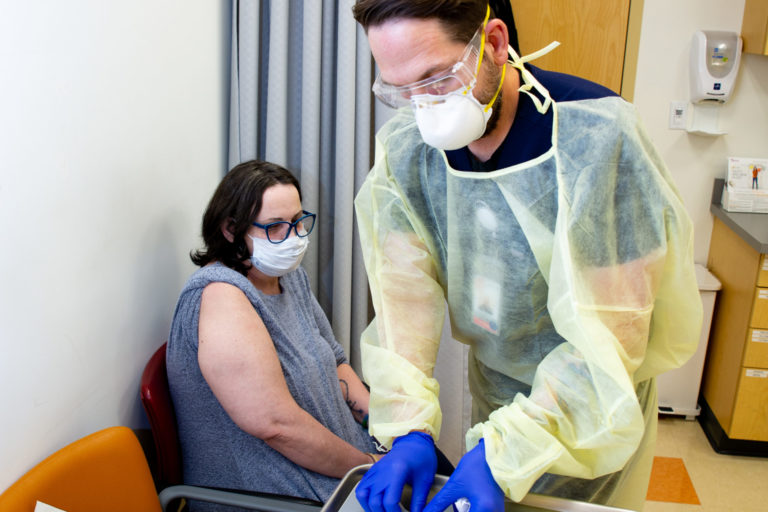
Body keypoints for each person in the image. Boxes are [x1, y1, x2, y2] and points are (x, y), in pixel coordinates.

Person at [350, 2, 703, 512]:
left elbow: (614, 335)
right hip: (498, 394)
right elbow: (403, 296)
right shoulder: (410, 151)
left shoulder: (597, 137)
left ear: (493, 43)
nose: (423, 106)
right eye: (401, 90)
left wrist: (509, 448)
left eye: (437, 79)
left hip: (593, 406)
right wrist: (408, 425)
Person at [165, 160, 382, 507]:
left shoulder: (288, 277)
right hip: (280, 494)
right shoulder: (222, 296)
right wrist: (370, 467)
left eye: (297, 222)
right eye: (275, 227)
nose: (293, 237)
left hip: (340, 470)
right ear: (231, 229)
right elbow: (277, 425)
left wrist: (385, 430)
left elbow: (336, 362)